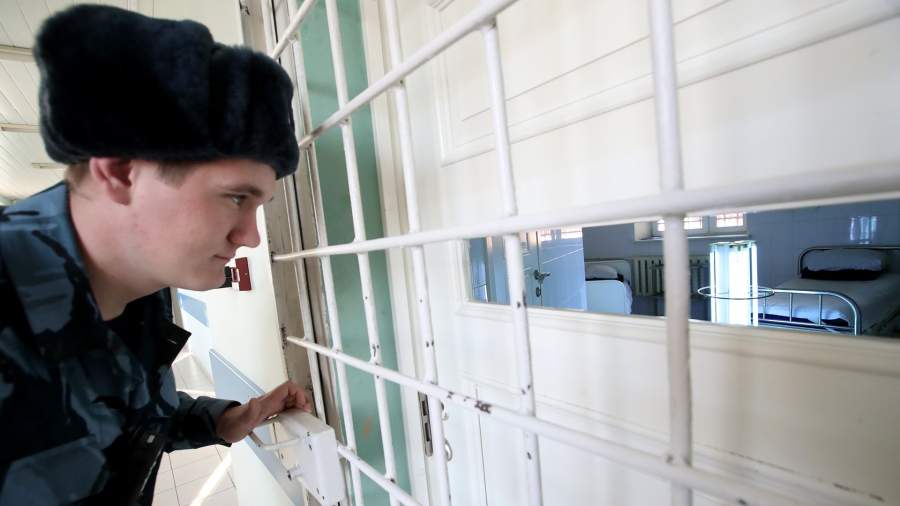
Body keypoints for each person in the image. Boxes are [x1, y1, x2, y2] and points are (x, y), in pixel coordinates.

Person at [0, 4, 310, 504]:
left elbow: (122, 415)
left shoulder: (139, 285)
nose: (251, 237)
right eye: (236, 198)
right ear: (120, 171)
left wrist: (229, 420)